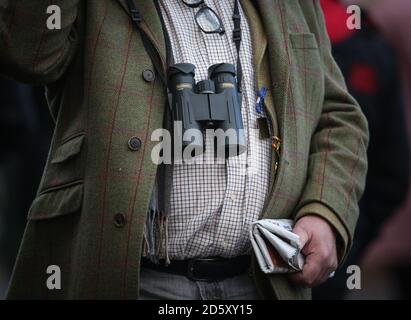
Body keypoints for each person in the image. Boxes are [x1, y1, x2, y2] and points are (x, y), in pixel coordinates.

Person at [0, 0, 368, 300]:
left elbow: (337, 117)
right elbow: (28, 54)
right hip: (130, 280)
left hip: (261, 281)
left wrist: (324, 211)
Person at [314, 0, 410, 300]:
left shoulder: (255, 33)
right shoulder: (368, 38)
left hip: (257, 254)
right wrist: (348, 242)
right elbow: (392, 176)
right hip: (338, 249)